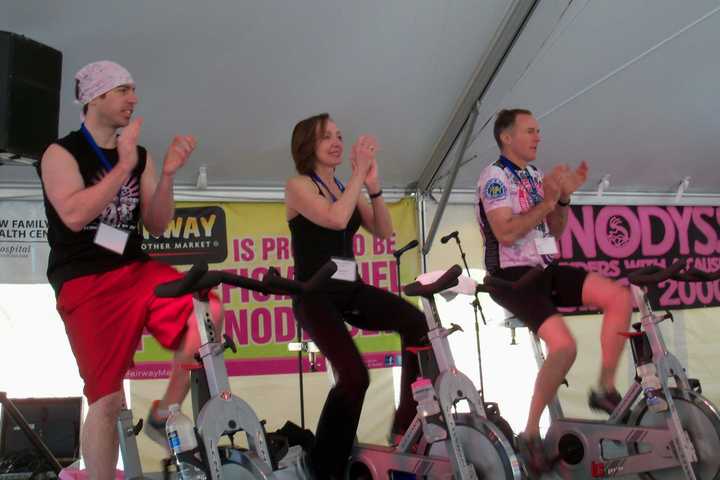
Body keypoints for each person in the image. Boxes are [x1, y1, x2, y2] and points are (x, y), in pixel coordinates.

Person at [37, 60, 222, 479]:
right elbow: (73, 215)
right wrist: (120, 167)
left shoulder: (139, 155)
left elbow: (156, 223)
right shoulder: (60, 153)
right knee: (106, 400)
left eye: (133, 90)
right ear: (96, 97)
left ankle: (164, 412)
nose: (133, 99)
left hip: (136, 271)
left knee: (205, 309)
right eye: (123, 91)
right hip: (85, 281)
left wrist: (169, 175)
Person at [475, 109, 632, 475]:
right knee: (564, 346)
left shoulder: (532, 175)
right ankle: (529, 433)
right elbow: (507, 232)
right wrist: (546, 202)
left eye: (539, 131)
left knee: (620, 298)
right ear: (507, 137)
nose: (538, 137)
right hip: (511, 277)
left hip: (545, 269)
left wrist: (561, 200)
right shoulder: (494, 177)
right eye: (530, 131)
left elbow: (555, 231)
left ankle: (604, 388)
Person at [285, 113, 428, 479]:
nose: (337, 142)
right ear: (307, 145)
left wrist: (374, 186)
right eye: (326, 137)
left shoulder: (340, 188)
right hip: (314, 294)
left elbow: (383, 230)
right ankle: (325, 466)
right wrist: (357, 176)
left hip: (349, 289)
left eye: (339, 136)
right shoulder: (299, 185)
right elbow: (335, 218)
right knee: (354, 377)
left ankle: (406, 423)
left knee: (416, 321)